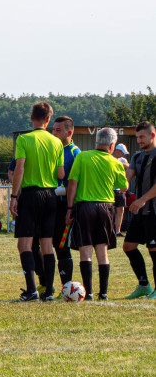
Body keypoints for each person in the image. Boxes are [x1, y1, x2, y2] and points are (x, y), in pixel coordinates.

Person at [10, 101, 64, 301]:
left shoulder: (24, 139)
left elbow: (20, 168)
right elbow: (60, 173)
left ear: (32, 117)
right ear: (48, 120)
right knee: (47, 244)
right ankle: (49, 291)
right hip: (50, 195)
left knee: (24, 244)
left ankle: (32, 290)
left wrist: (14, 196)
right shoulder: (56, 142)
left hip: (31, 194)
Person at [66, 127, 128, 300]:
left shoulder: (82, 157)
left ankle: (89, 293)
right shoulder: (115, 162)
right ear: (112, 145)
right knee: (102, 250)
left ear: (97, 141)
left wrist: (70, 209)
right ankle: (104, 292)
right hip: (106, 207)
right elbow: (124, 187)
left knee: (85, 250)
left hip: (84, 206)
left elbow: (72, 183)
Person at [122, 121, 156, 299]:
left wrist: (142, 200)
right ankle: (144, 284)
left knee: (154, 248)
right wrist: (123, 185)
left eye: (142, 137)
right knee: (128, 246)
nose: (139, 141)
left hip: (153, 211)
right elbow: (129, 176)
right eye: (137, 138)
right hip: (140, 211)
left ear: (152, 135)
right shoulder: (137, 156)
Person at [50, 115, 81, 293]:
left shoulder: (74, 153)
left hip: (64, 206)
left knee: (61, 246)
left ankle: (67, 286)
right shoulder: (52, 149)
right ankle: (46, 284)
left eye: (58, 130)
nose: (54, 133)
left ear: (69, 132)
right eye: (53, 130)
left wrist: (63, 190)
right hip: (49, 203)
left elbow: (76, 182)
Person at [112, 142, 130, 236]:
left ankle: (117, 231)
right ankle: (110, 229)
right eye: (122, 152)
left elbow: (128, 165)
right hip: (109, 189)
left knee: (120, 210)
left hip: (119, 189)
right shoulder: (109, 157)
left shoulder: (122, 159)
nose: (123, 154)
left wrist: (118, 163)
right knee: (109, 210)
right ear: (117, 151)